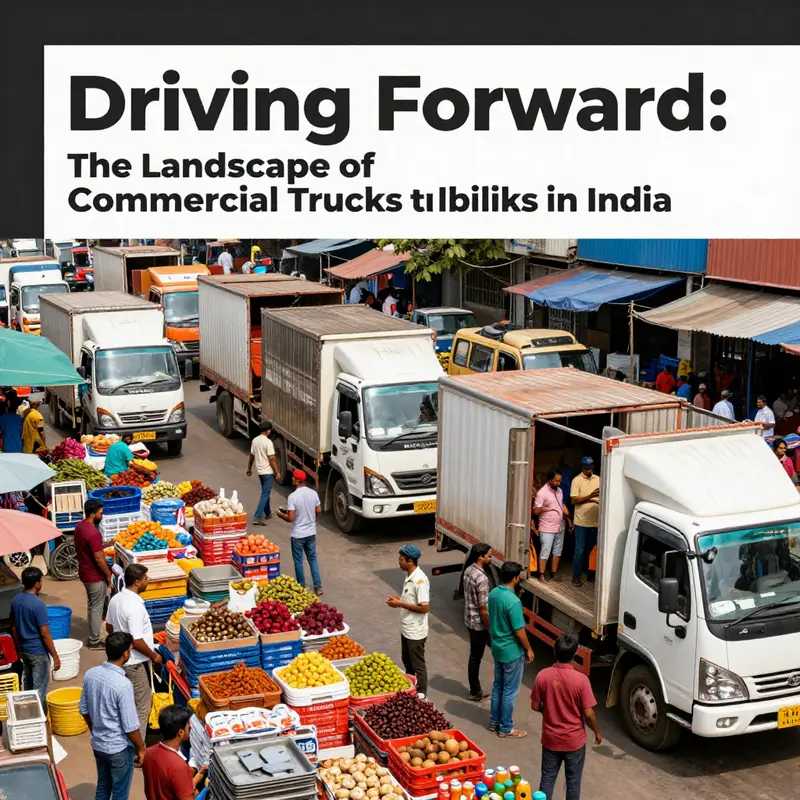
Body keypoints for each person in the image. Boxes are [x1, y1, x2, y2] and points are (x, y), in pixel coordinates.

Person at [531, 635, 602, 800]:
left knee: (547, 777)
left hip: (550, 739)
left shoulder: (543, 676)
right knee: (573, 781)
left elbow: (535, 706)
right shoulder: (581, 680)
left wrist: (549, 710)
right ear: (574, 655)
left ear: (555, 652)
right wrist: (597, 733)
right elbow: (589, 714)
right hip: (574, 742)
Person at [80, 632, 146, 800]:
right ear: (125, 653)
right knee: (119, 793)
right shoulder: (124, 686)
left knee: (103, 786)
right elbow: (130, 726)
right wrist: (141, 747)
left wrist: (95, 730)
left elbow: (84, 710)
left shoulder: (90, 674)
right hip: (119, 750)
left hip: (99, 745)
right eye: (130, 649)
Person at [106, 563, 163, 739]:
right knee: (142, 705)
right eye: (146, 579)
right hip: (135, 663)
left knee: (126, 702)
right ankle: (138, 747)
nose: (149, 581)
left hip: (121, 660)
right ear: (137, 582)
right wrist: (154, 656)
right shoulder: (135, 607)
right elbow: (136, 640)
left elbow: (109, 627)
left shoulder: (116, 599)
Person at [488, 561, 534, 739]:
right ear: (515, 578)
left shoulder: (494, 594)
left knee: (498, 686)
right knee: (509, 691)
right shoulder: (513, 601)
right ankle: (506, 728)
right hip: (511, 651)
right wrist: (528, 649)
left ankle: (494, 721)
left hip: (497, 647)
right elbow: (519, 631)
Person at [10, 567, 60, 706]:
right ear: (37, 584)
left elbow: (13, 627)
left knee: (28, 685)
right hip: (38, 652)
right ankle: (39, 719)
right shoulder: (38, 605)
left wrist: (19, 647)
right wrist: (55, 656)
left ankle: (26, 712)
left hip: (25, 650)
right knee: (39, 690)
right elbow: (45, 633)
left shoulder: (16, 600)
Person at [386, 544, 430, 699]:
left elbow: (424, 608)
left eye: (401, 559)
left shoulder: (419, 581)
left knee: (417, 662)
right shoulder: (409, 577)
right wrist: (399, 600)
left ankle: (422, 692)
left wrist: (400, 604)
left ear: (410, 561)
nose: (399, 562)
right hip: (406, 627)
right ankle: (411, 687)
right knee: (407, 660)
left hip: (415, 631)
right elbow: (411, 600)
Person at [143, 705, 208, 800]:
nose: (191, 730)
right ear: (180, 732)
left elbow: (171, 786)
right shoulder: (179, 767)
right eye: (189, 728)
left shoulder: (149, 753)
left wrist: (199, 774)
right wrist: (195, 795)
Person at [276, 470, 323, 594]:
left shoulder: (293, 497)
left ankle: (301, 588)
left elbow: (291, 518)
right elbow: (318, 510)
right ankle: (318, 587)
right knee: (312, 559)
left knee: (298, 561)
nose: (291, 479)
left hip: (298, 534)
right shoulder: (313, 493)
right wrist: (312, 519)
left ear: (296, 481)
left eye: (293, 478)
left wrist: (281, 515)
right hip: (311, 532)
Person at [75, 499, 113, 650]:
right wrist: (108, 575)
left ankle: (95, 635)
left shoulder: (80, 527)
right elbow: (99, 558)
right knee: (96, 608)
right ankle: (95, 641)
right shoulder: (93, 532)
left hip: (85, 572)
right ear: (92, 513)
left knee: (93, 606)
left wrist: (108, 544)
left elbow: (91, 548)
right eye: (100, 513)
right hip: (94, 576)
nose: (102, 515)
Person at [462, 543, 493, 701]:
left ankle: (475, 688)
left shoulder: (468, 570)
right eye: (489, 555)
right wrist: (489, 628)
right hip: (478, 624)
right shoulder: (481, 578)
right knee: (475, 657)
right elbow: (483, 609)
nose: (490, 558)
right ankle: (475, 690)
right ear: (480, 557)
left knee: (474, 656)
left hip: (469, 619)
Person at [533, 468, 573, 582]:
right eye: (556, 481)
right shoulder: (542, 493)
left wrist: (568, 520)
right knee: (546, 550)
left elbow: (561, 505)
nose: (558, 483)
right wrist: (545, 507)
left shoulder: (560, 491)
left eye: (560, 481)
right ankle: (541, 574)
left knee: (557, 550)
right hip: (547, 527)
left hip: (560, 526)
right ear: (550, 480)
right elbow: (535, 511)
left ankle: (554, 573)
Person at [570, 457, 600, 587]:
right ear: (582, 468)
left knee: (592, 549)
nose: (590, 470)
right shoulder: (576, 481)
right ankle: (576, 576)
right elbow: (574, 500)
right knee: (580, 550)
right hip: (581, 522)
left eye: (591, 468)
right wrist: (591, 497)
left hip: (595, 521)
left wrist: (592, 499)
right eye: (587, 468)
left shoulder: (598, 479)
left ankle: (591, 574)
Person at [246, 420, 279, 527]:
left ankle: (268, 513)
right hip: (267, 472)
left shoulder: (255, 441)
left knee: (266, 491)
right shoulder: (268, 443)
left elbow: (252, 456)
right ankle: (257, 516)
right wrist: (277, 472)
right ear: (268, 431)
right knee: (265, 494)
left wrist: (249, 468)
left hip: (259, 471)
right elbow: (272, 459)